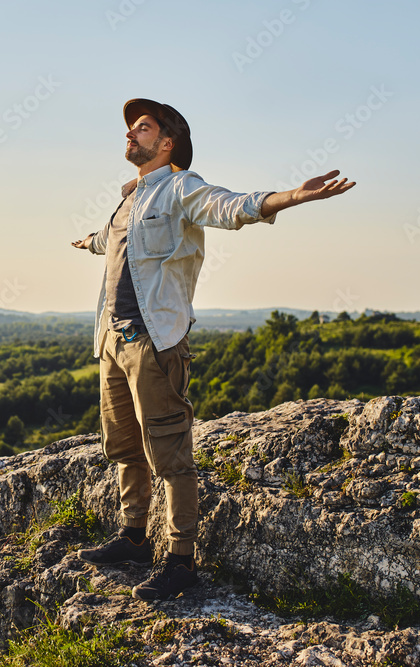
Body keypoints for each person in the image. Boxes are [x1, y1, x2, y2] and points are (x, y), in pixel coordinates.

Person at [70, 98, 355, 601]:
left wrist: (290, 196)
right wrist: (92, 240)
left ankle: (181, 560)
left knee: (170, 452)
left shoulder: (181, 188)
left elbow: (231, 207)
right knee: (123, 446)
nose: (130, 136)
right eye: (130, 130)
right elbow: (115, 245)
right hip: (112, 339)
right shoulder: (128, 200)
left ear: (167, 142)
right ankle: (135, 537)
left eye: (141, 128)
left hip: (154, 342)